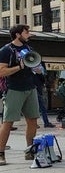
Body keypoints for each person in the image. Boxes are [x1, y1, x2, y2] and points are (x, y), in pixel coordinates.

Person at [0, 24, 42, 165]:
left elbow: (37, 67)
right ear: (18, 35)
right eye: (26, 32)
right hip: (14, 89)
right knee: (8, 122)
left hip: (30, 88)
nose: (29, 34)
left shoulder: (29, 49)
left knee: (33, 121)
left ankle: (30, 151)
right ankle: (1, 154)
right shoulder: (6, 50)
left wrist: (38, 69)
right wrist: (19, 67)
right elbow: (2, 72)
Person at [32, 62, 55, 128]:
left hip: (37, 90)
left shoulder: (37, 73)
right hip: (33, 90)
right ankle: (41, 123)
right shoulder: (30, 73)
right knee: (38, 108)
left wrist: (39, 73)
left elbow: (43, 80)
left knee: (40, 107)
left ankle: (44, 122)